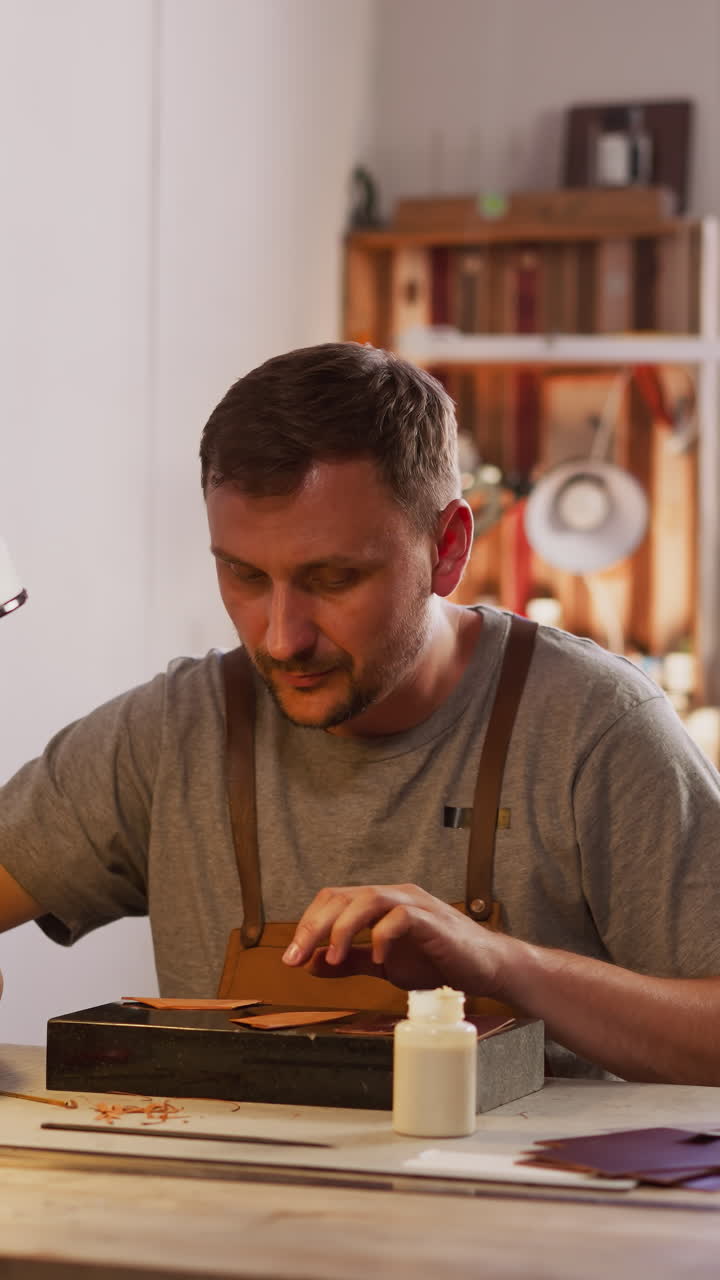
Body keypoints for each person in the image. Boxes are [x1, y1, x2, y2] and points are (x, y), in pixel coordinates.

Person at [1, 341, 720, 1083]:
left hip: (512, 1197)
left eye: (335, 578)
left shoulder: (594, 730)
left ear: (447, 548)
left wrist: (506, 966)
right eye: (245, 575)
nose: (282, 637)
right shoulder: (171, 733)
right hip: (225, 1194)